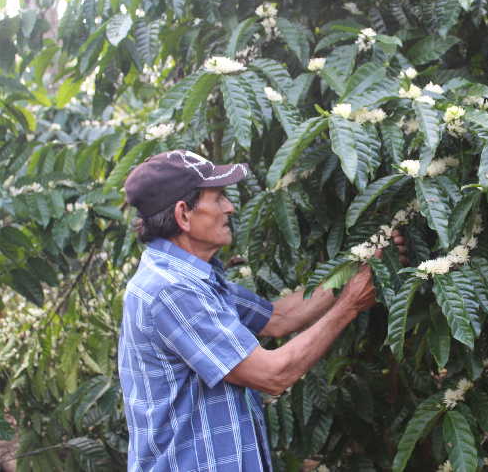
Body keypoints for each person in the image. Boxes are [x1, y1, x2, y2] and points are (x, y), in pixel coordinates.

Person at [118, 150, 402, 472]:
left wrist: (359, 263)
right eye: (219, 198)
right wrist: (350, 304)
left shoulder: (192, 276)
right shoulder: (172, 290)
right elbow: (273, 374)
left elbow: (279, 318)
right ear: (184, 215)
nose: (230, 207)